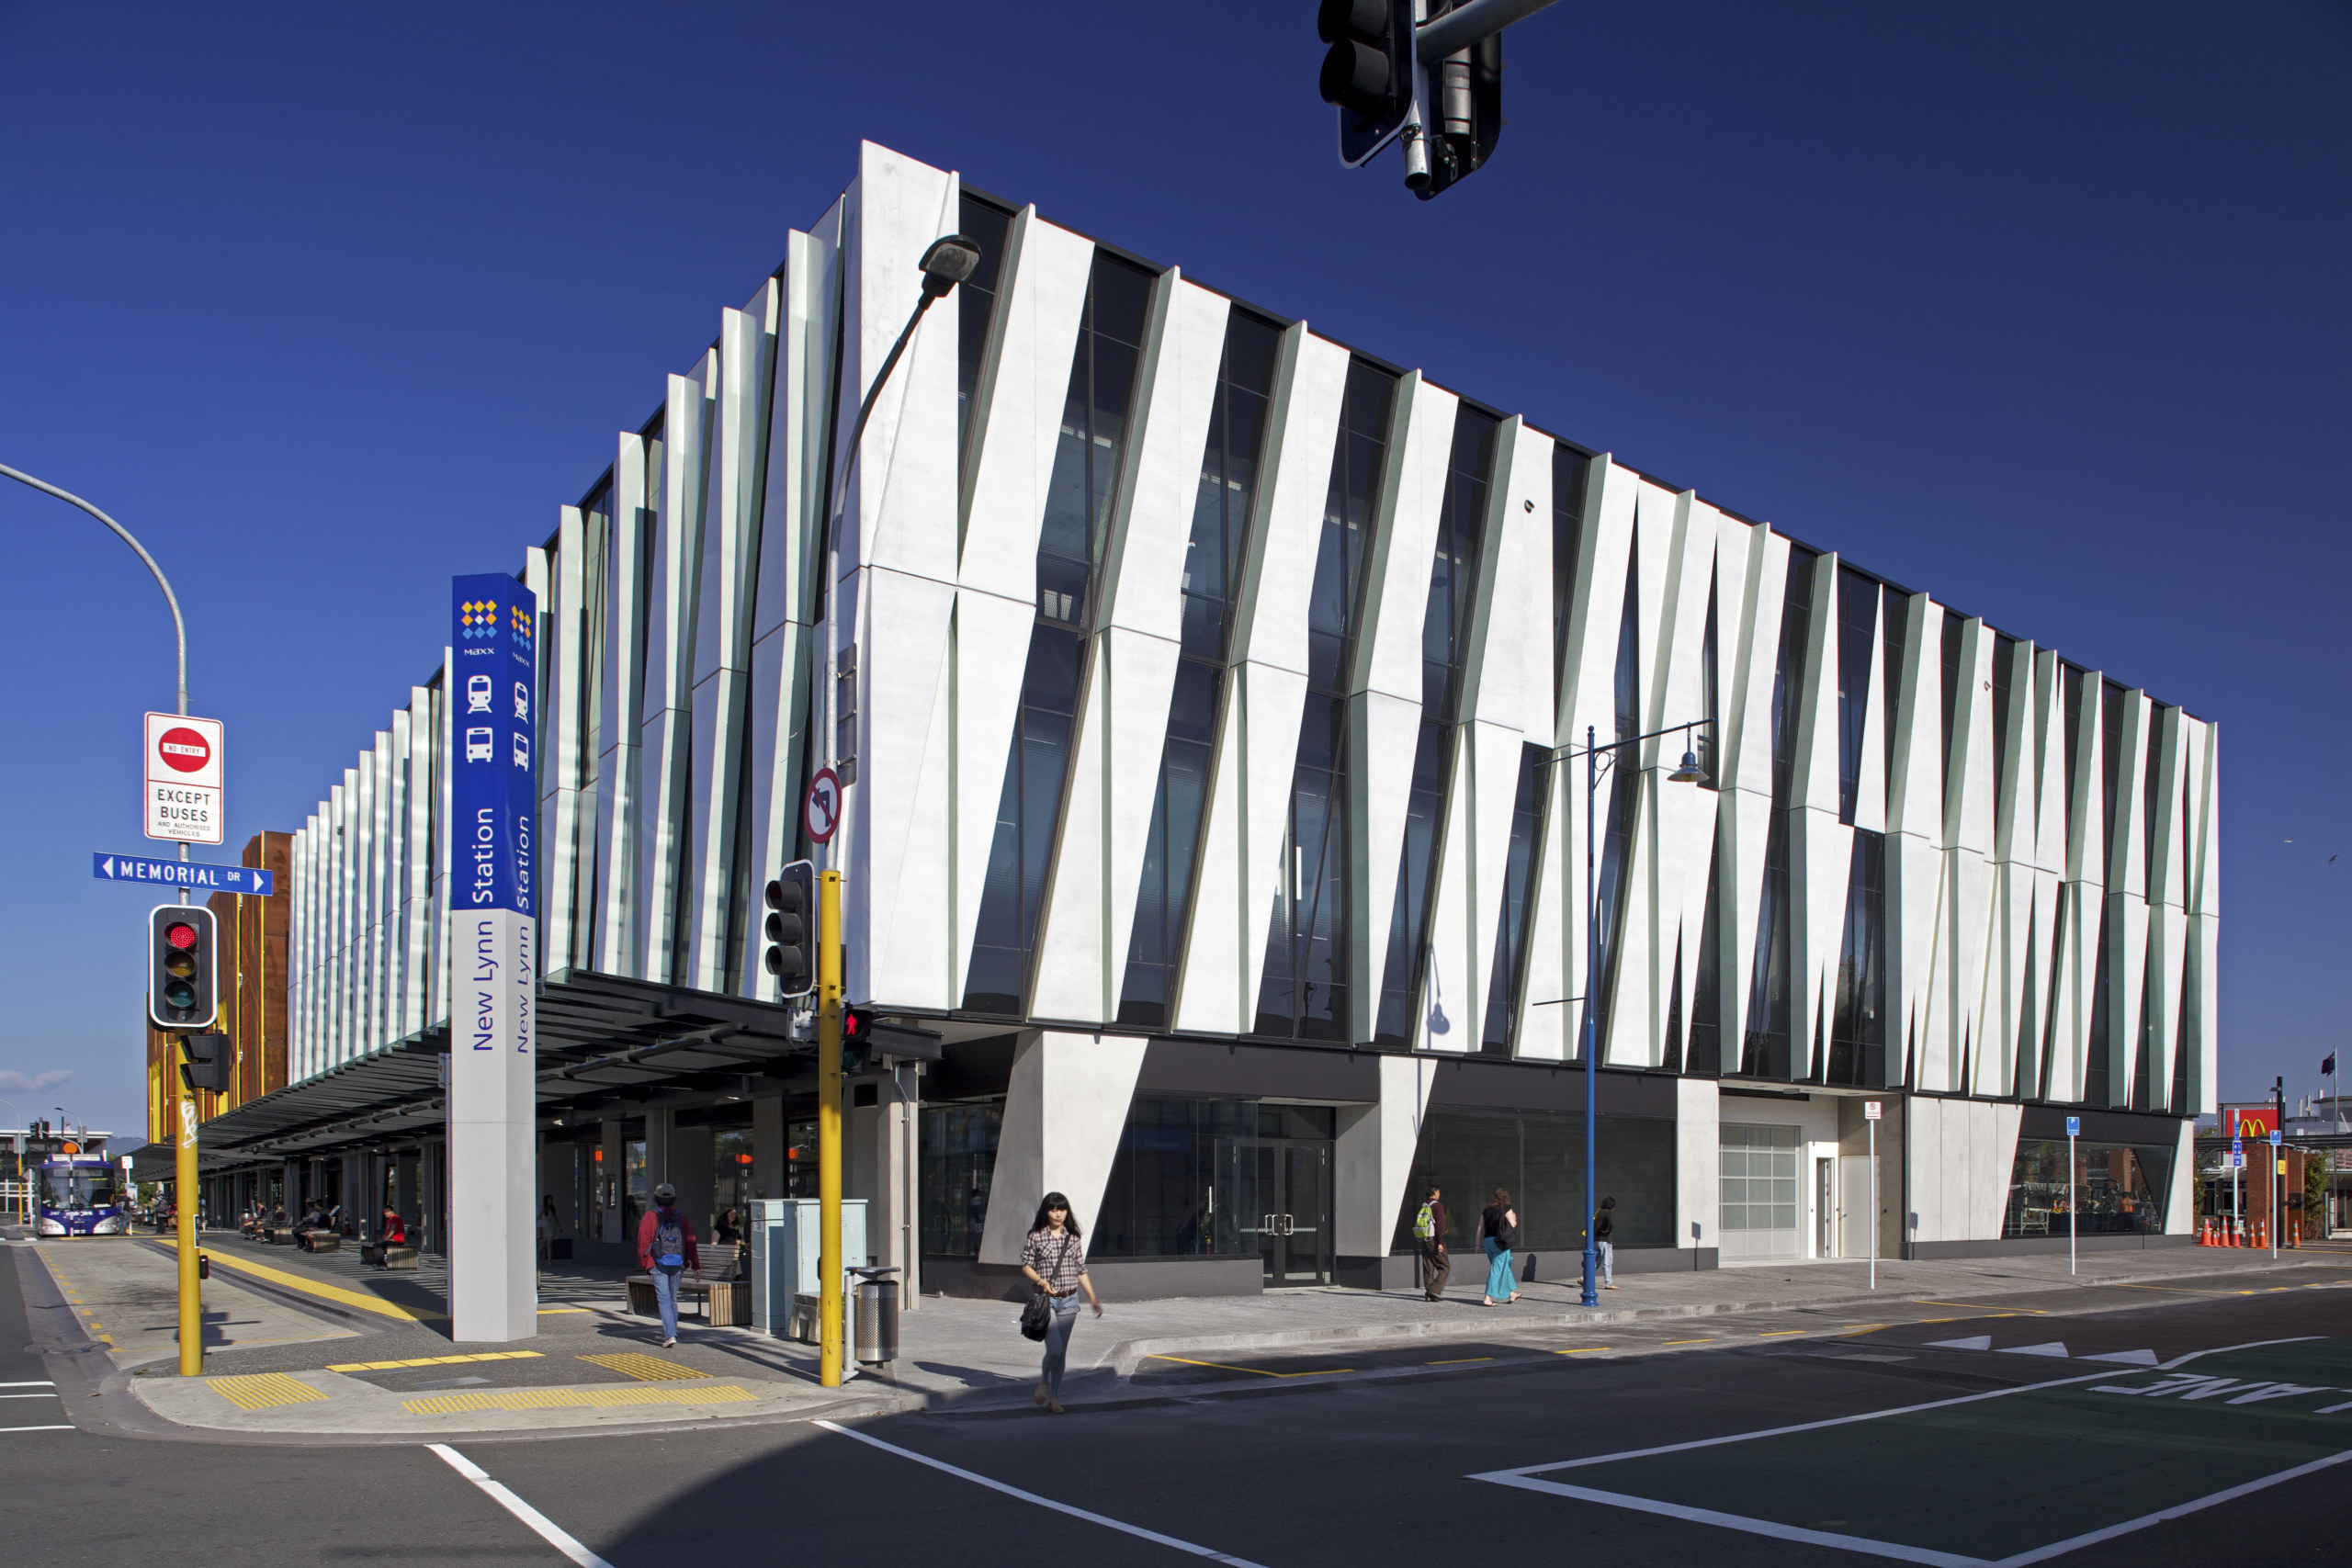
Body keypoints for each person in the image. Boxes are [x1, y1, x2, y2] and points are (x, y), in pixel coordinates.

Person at [1018, 1191, 1102, 1414]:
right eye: (1054, 1209)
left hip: (1069, 1300)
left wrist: (1093, 1298)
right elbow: (1026, 1266)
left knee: (1061, 1352)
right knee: (1054, 1349)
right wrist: (1042, 1281)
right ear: (1046, 1212)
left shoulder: (1072, 1238)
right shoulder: (1036, 1236)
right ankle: (1043, 1382)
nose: (1058, 1214)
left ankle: (1054, 1397)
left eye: (1062, 1209)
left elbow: (1081, 1270)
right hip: (1046, 1302)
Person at [635, 1182, 700, 1348]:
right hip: (678, 1263)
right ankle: (673, 1332)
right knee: (672, 1298)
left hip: (657, 1262)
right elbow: (691, 1241)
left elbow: (643, 1241)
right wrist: (695, 1265)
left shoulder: (650, 1216)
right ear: (674, 1199)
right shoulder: (682, 1218)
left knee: (663, 1299)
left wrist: (645, 1263)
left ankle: (670, 1335)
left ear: (656, 1198)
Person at [1477, 1187, 1520, 1306]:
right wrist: (1515, 1218)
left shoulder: (1487, 1210)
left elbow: (1480, 1228)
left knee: (1502, 1267)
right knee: (1497, 1269)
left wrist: (1477, 1244)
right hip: (1500, 1242)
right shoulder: (1506, 1208)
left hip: (1488, 1242)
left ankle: (1511, 1293)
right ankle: (1487, 1297)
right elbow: (1512, 1224)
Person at [1412, 1184, 1450, 1302]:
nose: (1439, 1194)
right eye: (1438, 1192)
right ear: (1435, 1193)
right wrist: (1440, 1242)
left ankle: (1429, 1294)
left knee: (1428, 1267)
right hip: (1434, 1239)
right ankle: (1433, 1291)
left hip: (1424, 1238)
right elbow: (1439, 1226)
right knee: (1445, 1267)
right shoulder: (1438, 1206)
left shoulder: (1424, 1205)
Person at [1593, 1195, 1618, 1290]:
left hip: (1596, 1239)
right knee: (1607, 1262)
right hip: (1605, 1240)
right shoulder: (1608, 1212)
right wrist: (1607, 1232)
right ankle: (1608, 1283)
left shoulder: (1598, 1212)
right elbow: (1611, 1224)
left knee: (1595, 1262)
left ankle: (1584, 1277)